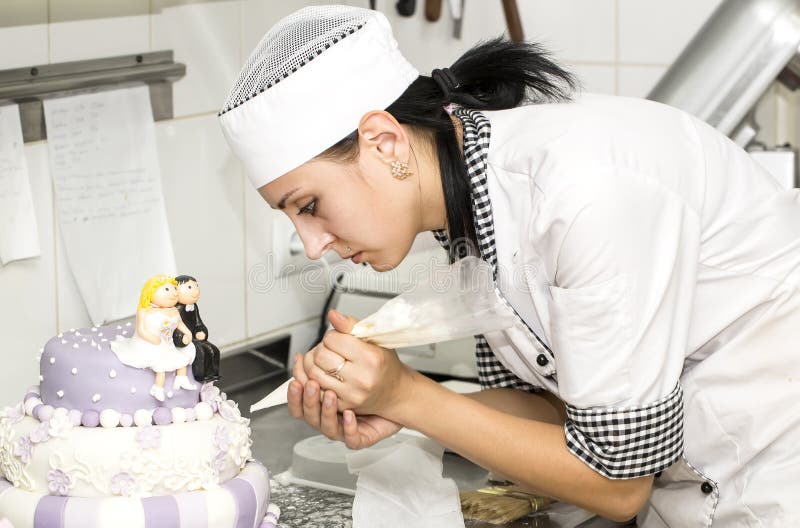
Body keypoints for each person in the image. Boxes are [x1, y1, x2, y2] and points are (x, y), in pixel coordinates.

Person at [219, 5, 800, 526]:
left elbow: (619, 483)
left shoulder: (582, 194)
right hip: (702, 488)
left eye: (310, 206)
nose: (313, 244)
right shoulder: (470, 204)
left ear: (384, 142)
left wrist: (408, 397)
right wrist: (397, 407)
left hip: (776, 474)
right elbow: (552, 410)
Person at [111, 274, 197, 401]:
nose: (173, 293)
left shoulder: (173, 310)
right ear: (151, 292)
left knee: (181, 360)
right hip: (150, 344)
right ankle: (157, 388)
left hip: (167, 344)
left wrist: (188, 333)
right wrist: (152, 338)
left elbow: (179, 324)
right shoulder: (144, 311)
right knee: (160, 367)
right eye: (167, 289)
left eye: (174, 289)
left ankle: (181, 380)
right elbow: (141, 330)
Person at [173, 274, 221, 382]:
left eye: (196, 286)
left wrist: (201, 330)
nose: (196, 291)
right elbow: (174, 328)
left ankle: (213, 374)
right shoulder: (175, 310)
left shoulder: (194, 307)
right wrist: (181, 338)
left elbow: (198, 322)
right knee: (201, 351)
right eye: (190, 287)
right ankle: (201, 375)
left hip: (194, 337)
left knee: (213, 350)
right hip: (186, 340)